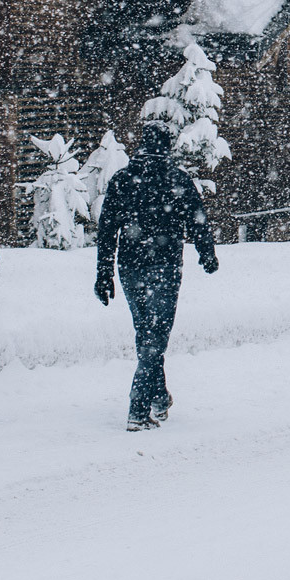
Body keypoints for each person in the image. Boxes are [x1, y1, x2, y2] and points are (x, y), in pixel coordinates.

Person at [95, 122, 218, 430]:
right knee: (155, 337)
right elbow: (198, 220)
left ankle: (159, 398)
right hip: (165, 266)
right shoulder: (177, 179)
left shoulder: (123, 180)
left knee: (147, 335)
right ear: (167, 146)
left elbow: (107, 230)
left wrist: (104, 273)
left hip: (130, 267)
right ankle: (138, 409)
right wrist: (207, 253)